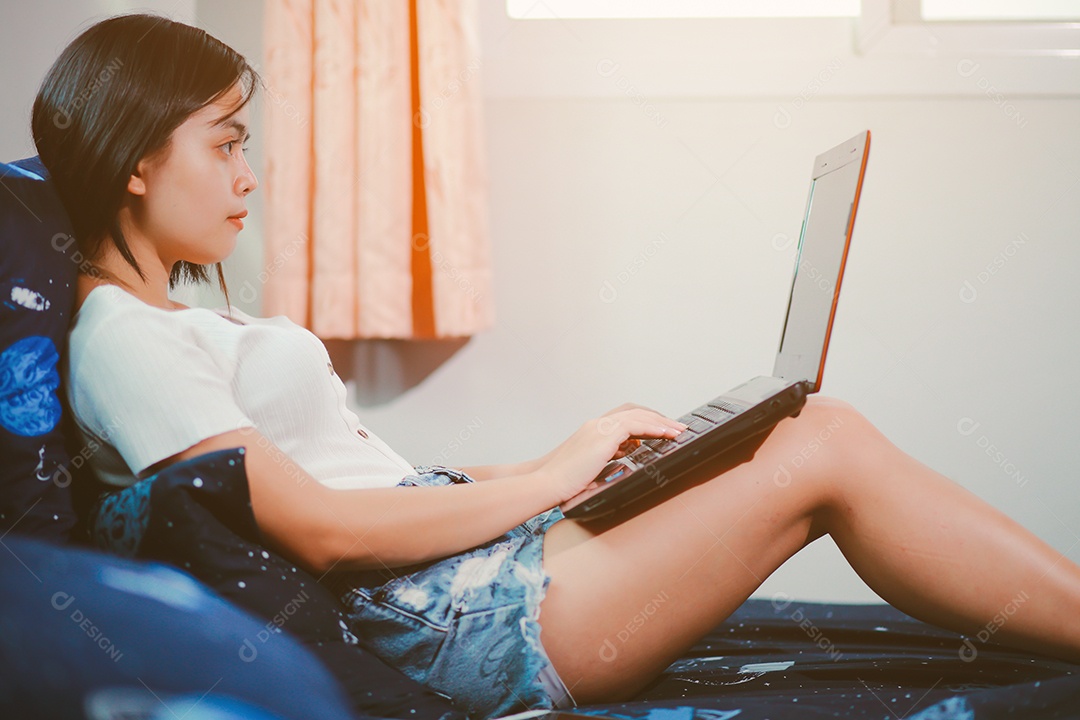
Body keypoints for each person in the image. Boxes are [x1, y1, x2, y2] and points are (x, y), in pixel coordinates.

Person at [38, 12, 1080, 720]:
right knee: (825, 445)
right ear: (137, 160)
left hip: (463, 575)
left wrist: (560, 465)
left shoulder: (173, 321)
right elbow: (326, 530)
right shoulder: (122, 339)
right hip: (449, 622)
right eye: (224, 144)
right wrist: (551, 481)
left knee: (791, 431)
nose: (249, 175)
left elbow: (362, 481)